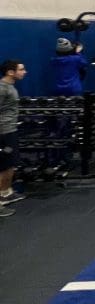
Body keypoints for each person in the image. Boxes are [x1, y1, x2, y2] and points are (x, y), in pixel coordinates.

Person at [0, 60, 28, 216]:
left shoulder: (9, 87)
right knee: (4, 167)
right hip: (4, 132)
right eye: (21, 69)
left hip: (10, 130)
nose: (25, 72)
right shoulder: (2, 89)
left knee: (9, 165)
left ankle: (6, 193)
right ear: (10, 72)